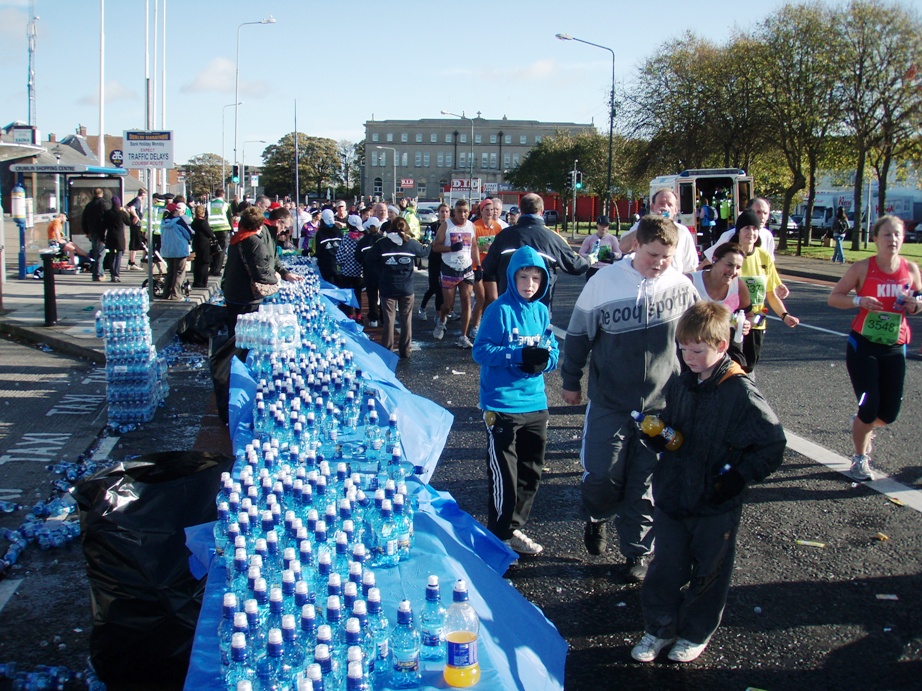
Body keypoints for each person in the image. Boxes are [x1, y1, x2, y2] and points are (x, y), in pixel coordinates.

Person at [630, 301, 785, 664]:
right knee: (664, 568)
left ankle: (695, 633)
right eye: (682, 349)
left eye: (696, 350)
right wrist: (658, 433)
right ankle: (659, 628)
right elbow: (673, 422)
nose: (687, 357)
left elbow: (773, 443)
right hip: (672, 494)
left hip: (715, 501)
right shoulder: (684, 381)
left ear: (720, 345)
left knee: (709, 573)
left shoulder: (740, 392)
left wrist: (740, 476)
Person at [561, 215, 698, 583]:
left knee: (646, 479)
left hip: (658, 406)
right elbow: (578, 336)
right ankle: (598, 515)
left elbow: (698, 336)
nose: (660, 263)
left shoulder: (681, 286)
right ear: (637, 245)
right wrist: (571, 380)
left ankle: (637, 550)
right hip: (610, 401)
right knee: (603, 474)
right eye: (654, 254)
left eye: (667, 257)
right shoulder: (604, 282)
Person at [473, 245, 559, 558]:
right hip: (501, 405)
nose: (530, 284)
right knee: (504, 478)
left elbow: (553, 352)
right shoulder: (499, 310)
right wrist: (517, 354)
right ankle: (498, 539)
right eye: (524, 277)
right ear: (513, 277)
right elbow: (480, 351)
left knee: (531, 473)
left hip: (535, 403)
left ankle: (511, 528)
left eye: (536, 278)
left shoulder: (542, 311)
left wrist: (544, 362)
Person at [828, 215, 922, 481]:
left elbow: (919, 298)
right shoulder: (862, 268)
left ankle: (861, 424)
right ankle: (860, 458)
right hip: (863, 344)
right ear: (875, 239)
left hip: (895, 345)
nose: (892, 240)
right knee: (869, 408)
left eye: (897, 235)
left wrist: (915, 305)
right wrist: (860, 300)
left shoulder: (911, 269)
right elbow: (834, 298)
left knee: (889, 413)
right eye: (887, 235)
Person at [481, 193, 589, 315]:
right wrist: (590, 259)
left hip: (509, 306)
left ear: (520, 210)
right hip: (539, 309)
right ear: (541, 211)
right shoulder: (552, 238)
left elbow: (488, 266)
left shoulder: (504, 235)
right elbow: (576, 266)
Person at [731, 209, 799, 372]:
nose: (751, 232)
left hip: (758, 319)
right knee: (734, 366)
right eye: (747, 228)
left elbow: (770, 294)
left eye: (755, 229)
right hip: (734, 319)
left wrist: (785, 315)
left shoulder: (764, 257)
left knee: (750, 366)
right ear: (739, 231)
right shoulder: (730, 255)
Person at [222, 206, 302, 338]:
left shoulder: (242, 236)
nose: (285, 230)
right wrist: (276, 279)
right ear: (278, 222)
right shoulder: (257, 239)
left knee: (237, 333)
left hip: (236, 291)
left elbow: (272, 258)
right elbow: (261, 269)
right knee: (242, 336)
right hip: (244, 293)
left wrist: (284, 273)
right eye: (285, 226)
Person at [367, 217, 428, 358]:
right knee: (406, 319)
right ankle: (405, 350)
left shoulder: (382, 243)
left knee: (389, 320)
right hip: (406, 287)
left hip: (387, 287)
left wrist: (380, 272)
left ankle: (387, 350)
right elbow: (424, 253)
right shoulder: (411, 243)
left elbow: (370, 259)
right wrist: (429, 243)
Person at [688, 242, 752, 367]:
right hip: (692, 347)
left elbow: (752, 316)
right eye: (729, 265)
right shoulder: (690, 282)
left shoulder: (738, 286)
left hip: (724, 349)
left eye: (738, 267)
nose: (733, 271)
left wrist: (747, 324)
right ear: (714, 260)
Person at [618, 189, 698, 274]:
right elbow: (623, 247)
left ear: (676, 210)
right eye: (661, 204)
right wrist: (650, 224)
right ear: (653, 207)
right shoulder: (643, 225)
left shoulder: (682, 231)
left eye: (670, 205)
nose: (665, 208)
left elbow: (690, 268)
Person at [432, 198, 477, 348]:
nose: (462, 215)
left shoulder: (471, 225)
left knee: (467, 301)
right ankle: (442, 318)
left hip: (467, 269)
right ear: (454, 212)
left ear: (469, 212)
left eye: (465, 211)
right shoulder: (446, 225)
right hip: (449, 269)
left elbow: (474, 247)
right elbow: (435, 247)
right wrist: (451, 248)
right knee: (448, 305)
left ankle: (463, 336)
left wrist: (479, 266)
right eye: (459, 211)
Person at [470, 198, 503, 338]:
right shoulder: (474, 226)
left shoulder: (497, 227)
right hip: (476, 267)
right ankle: (474, 326)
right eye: (487, 209)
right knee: (481, 297)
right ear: (481, 211)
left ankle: (486, 322)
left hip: (491, 266)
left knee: (494, 298)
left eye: (493, 209)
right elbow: (472, 247)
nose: (490, 212)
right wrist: (481, 247)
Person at [419, 203, 449, 320]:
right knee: (435, 287)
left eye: (446, 212)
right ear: (438, 213)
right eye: (442, 211)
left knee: (444, 287)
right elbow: (427, 240)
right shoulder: (432, 226)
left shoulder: (451, 227)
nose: (444, 214)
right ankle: (429, 310)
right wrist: (436, 242)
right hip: (435, 259)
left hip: (447, 259)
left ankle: (445, 311)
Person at [159, 202, 193, 299]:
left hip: (167, 250)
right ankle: (176, 294)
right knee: (179, 272)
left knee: (170, 272)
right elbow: (188, 234)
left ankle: (166, 293)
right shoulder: (179, 221)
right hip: (179, 250)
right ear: (175, 212)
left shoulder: (163, 222)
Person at [336, 214, 367, 320]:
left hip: (347, 271)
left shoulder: (346, 237)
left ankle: (349, 314)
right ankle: (359, 315)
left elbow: (340, 255)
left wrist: (340, 264)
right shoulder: (363, 237)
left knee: (348, 293)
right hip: (360, 271)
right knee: (358, 294)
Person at [356, 216, 383, 327]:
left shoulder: (363, 241)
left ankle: (373, 319)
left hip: (369, 271)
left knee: (372, 296)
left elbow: (357, 256)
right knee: (383, 296)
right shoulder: (383, 240)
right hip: (382, 272)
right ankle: (384, 318)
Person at [578, 215, 621, 280]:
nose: (603, 228)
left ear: (608, 227)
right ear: (597, 225)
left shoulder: (612, 239)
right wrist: (590, 256)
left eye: (605, 225)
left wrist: (613, 254)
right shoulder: (590, 239)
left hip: (607, 268)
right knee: (592, 289)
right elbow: (581, 252)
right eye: (601, 225)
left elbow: (619, 253)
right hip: (593, 268)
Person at [81, 188, 108, 282]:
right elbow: (106, 219)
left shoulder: (89, 205)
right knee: (101, 253)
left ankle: (99, 272)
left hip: (92, 232)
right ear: (102, 194)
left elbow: (83, 220)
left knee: (97, 253)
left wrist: (87, 232)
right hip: (101, 232)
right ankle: (98, 274)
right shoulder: (104, 204)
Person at [312, 208, 343, 285]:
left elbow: (315, 251)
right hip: (339, 267)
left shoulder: (319, 234)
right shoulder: (339, 232)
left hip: (326, 267)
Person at [103, 196, 129, 283]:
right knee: (118, 257)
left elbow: (105, 224)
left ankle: (112, 274)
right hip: (119, 237)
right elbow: (128, 222)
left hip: (110, 235)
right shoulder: (121, 213)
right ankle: (116, 274)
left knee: (111, 256)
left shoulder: (107, 213)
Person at [208, 188, 232, 276]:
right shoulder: (226, 205)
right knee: (222, 250)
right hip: (223, 229)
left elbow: (207, 216)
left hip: (212, 229)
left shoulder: (209, 204)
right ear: (223, 195)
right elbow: (229, 218)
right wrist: (231, 229)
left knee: (213, 249)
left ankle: (212, 268)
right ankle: (217, 270)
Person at [190, 204, 215, 288]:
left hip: (196, 243)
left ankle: (196, 281)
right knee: (204, 263)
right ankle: (202, 282)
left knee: (197, 263)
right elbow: (210, 233)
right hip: (204, 244)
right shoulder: (203, 222)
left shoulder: (194, 222)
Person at [125, 188, 147, 270]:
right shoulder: (137, 201)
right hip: (137, 225)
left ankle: (130, 262)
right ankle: (132, 262)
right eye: (145, 195)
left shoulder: (134, 200)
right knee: (137, 242)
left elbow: (126, 207)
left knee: (133, 242)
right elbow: (131, 208)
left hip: (134, 224)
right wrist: (136, 216)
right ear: (143, 194)